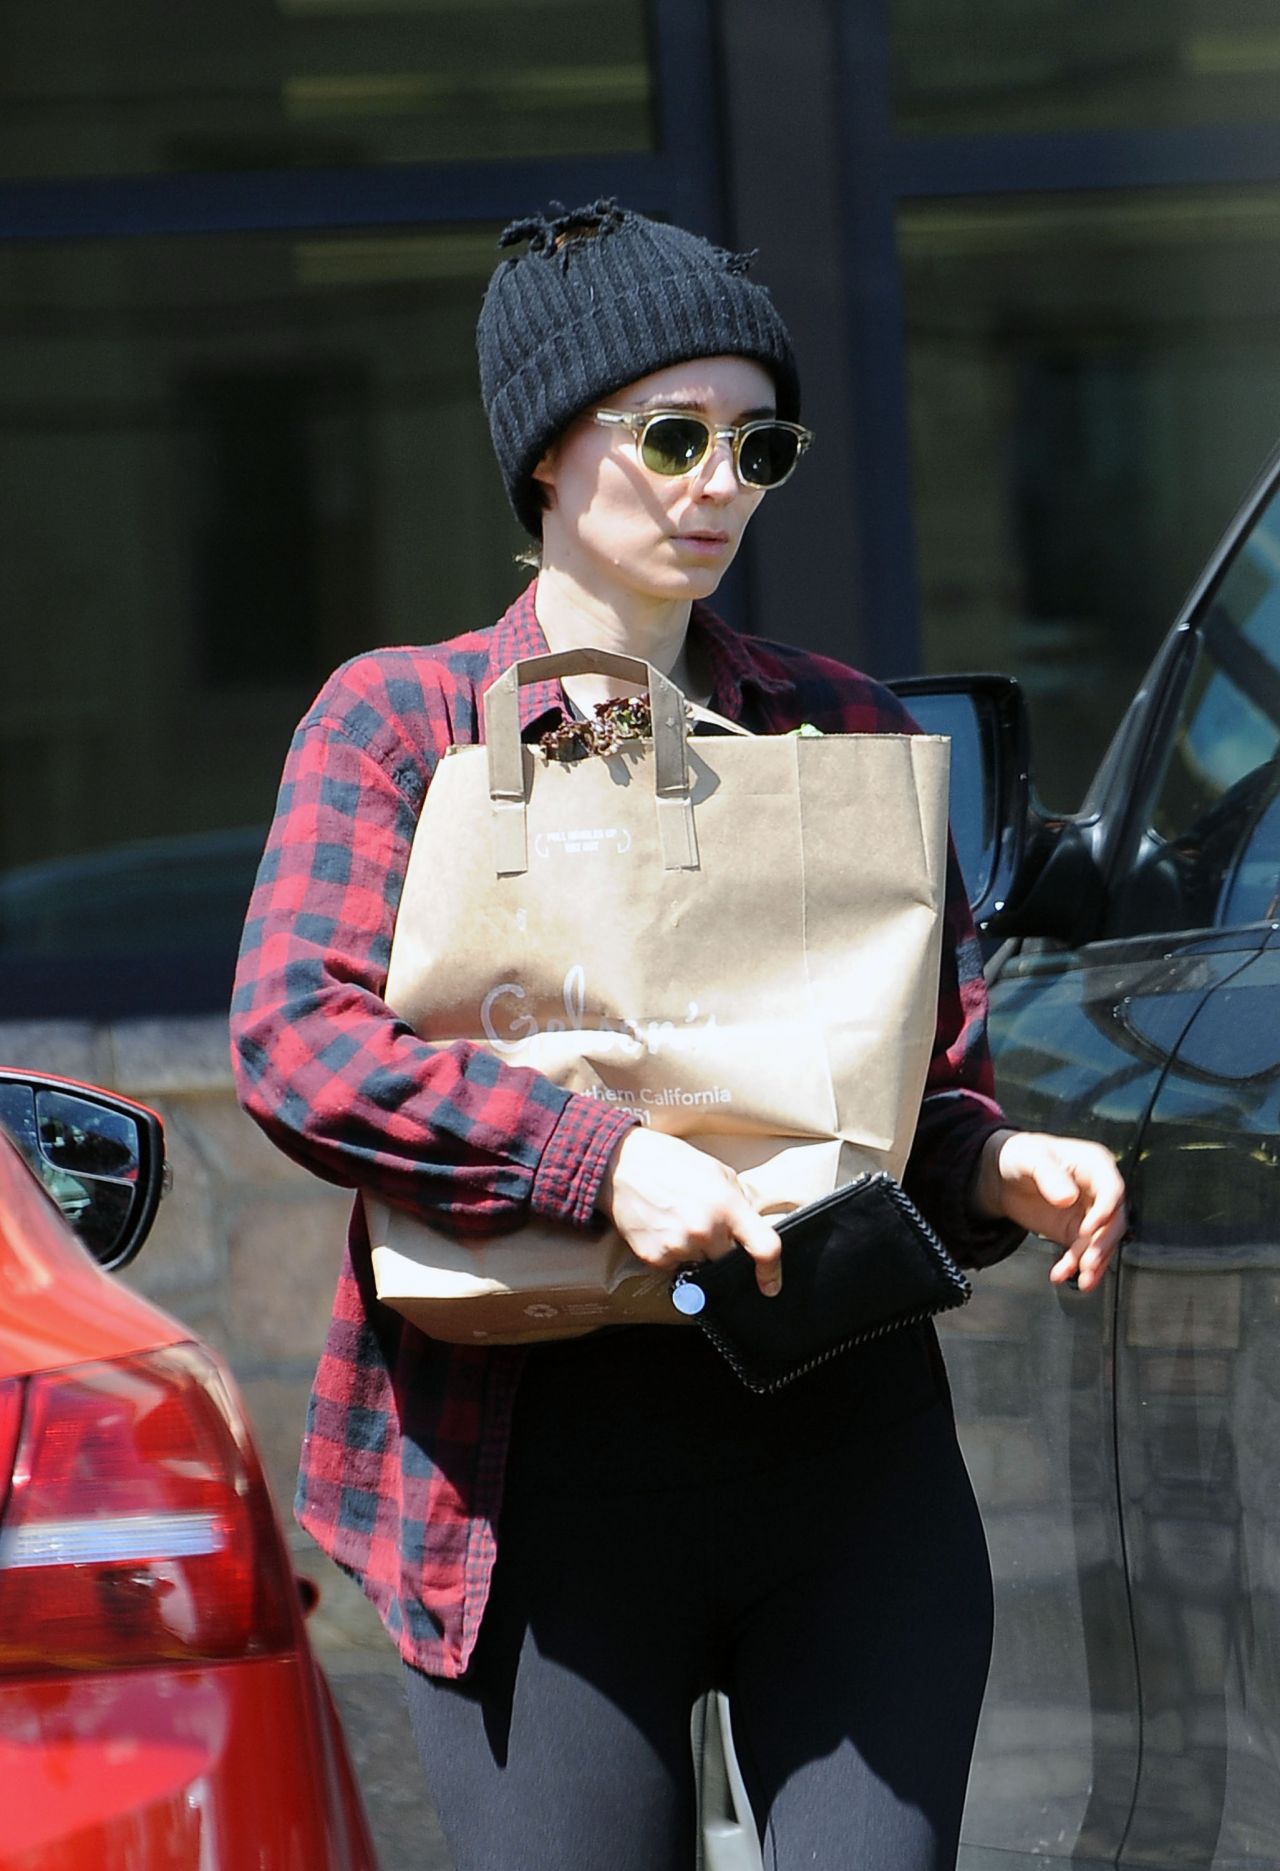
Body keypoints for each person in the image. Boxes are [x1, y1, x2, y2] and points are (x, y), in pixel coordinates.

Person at [231, 200, 1127, 1871]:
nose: (720, 484)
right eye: (673, 434)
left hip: (843, 1466)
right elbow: (295, 1039)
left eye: (757, 443)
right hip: (526, 1500)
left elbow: (909, 1106)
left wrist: (1006, 1165)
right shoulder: (404, 722)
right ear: (547, 457)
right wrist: (599, 1160)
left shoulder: (840, 727)